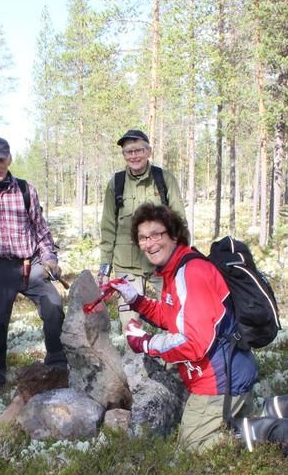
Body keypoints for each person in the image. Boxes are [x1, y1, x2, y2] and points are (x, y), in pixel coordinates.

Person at [111, 204, 258, 451]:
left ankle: (282, 426)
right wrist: (137, 301)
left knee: (191, 454)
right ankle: (264, 425)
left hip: (220, 382)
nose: (149, 243)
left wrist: (146, 343)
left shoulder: (190, 273)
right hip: (227, 374)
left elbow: (193, 342)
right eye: (143, 238)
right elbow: (173, 316)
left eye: (157, 234)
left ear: (174, 234)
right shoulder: (175, 270)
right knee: (226, 443)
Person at [0, 136, 66, 392]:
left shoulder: (25, 190)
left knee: (53, 306)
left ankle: (57, 362)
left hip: (29, 264)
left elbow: (41, 230)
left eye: (0, 160)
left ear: (9, 159)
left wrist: (50, 258)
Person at [98, 129, 185, 328]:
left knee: (175, 318)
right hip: (126, 265)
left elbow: (180, 220)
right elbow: (108, 227)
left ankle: (172, 359)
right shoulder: (116, 183)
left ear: (148, 152)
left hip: (162, 263)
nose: (134, 156)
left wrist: (182, 258)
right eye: (129, 152)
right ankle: (134, 358)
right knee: (129, 323)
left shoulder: (164, 179)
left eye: (138, 150)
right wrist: (104, 267)